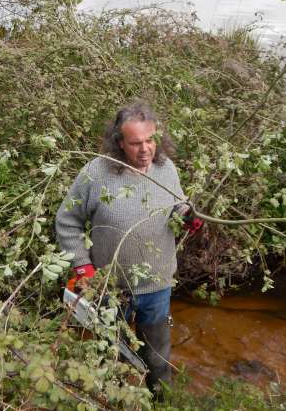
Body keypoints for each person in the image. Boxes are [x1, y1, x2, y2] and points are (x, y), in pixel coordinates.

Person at [55, 101, 188, 393]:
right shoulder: (97, 173)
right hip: (109, 286)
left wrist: (189, 217)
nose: (145, 150)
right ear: (119, 143)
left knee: (157, 357)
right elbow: (66, 221)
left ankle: (160, 410)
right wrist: (83, 267)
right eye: (136, 143)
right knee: (108, 353)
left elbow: (178, 207)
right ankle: (110, 408)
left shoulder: (166, 169)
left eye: (150, 140)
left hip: (156, 284)